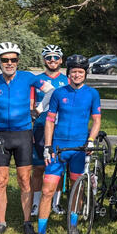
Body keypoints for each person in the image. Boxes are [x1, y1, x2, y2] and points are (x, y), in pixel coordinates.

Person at [0, 42, 55, 234]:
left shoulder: (28, 77)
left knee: (24, 180)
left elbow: (52, 90)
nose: (9, 63)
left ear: (18, 61)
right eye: (5, 60)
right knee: (0, 181)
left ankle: (27, 221)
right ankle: (1, 222)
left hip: (22, 134)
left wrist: (38, 110)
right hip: (0, 135)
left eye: (13, 60)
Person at [28, 55, 102, 234]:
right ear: (68, 73)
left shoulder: (92, 94)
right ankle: (40, 232)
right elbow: (50, 120)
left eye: (80, 72)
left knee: (76, 189)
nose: (77, 75)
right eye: (73, 72)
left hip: (79, 148)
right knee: (47, 189)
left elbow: (96, 121)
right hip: (58, 148)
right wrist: (47, 147)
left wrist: (91, 141)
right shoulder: (58, 93)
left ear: (85, 74)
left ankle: (73, 225)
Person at [30, 45, 68, 217]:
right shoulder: (36, 80)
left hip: (60, 128)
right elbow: (31, 105)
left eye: (55, 57)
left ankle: (56, 203)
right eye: (48, 57)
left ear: (61, 60)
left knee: (58, 166)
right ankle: (36, 204)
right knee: (38, 168)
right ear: (44, 60)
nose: (52, 61)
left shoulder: (67, 80)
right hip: (39, 126)